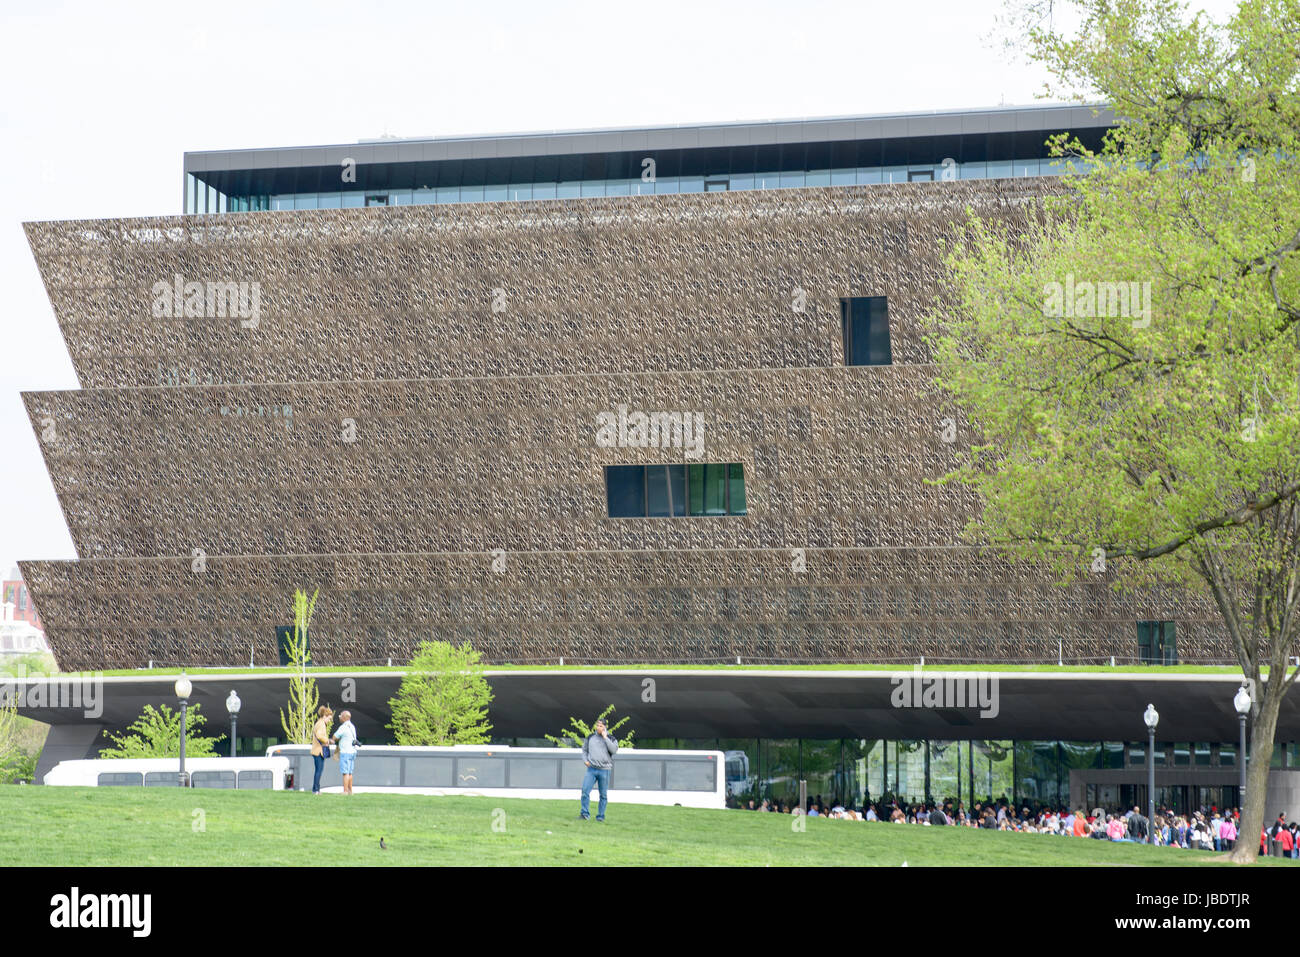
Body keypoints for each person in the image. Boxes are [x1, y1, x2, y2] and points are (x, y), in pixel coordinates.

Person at [579, 718, 618, 822]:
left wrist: (606, 738)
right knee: (585, 791)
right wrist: (585, 760)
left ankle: (600, 816)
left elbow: (614, 750)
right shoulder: (590, 737)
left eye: (601, 726)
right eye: (597, 725)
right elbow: (584, 750)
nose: (598, 727)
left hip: (604, 770)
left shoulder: (611, 738)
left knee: (603, 795)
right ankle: (584, 814)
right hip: (591, 769)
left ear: (605, 727)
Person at [331, 709, 359, 796]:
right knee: (350, 772)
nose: (339, 718)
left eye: (340, 716)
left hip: (345, 752)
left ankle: (345, 791)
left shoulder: (343, 727)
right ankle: (350, 791)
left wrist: (332, 740)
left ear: (344, 718)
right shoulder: (352, 726)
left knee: (345, 772)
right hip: (352, 752)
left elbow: (335, 736)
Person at [310, 705, 333, 795]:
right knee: (319, 771)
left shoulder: (319, 723)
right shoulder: (321, 724)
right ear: (324, 716)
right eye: (329, 718)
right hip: (319, 751)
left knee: (318, 770)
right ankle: (316, 790)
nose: (329, 721)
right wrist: (327, 740)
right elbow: (319, 736)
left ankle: (316, 789)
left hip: (316, 750)